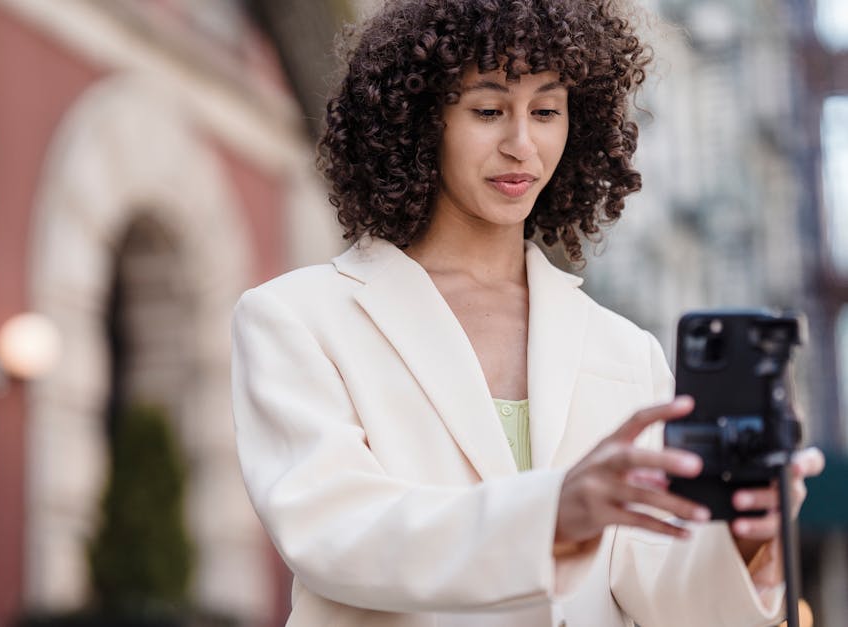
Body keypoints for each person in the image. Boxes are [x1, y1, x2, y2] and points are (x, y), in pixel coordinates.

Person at [231, 1, 825, 625]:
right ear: (420, 119)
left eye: (546, 111)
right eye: (488, 111)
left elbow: (664, 598)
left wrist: (745, 537)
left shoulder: (624, 351)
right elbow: (339, 537)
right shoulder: (295, 318)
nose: (521, 144)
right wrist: (553, 516)